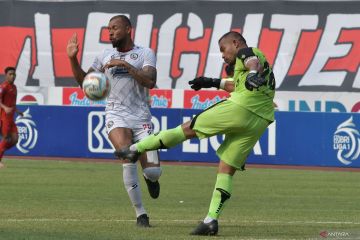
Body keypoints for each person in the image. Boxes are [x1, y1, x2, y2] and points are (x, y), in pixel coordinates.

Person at [115, 31, 276, 235]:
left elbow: (252, 62)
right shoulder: (259, 63)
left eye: (223, 49)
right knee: (226, 169)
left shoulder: (247, 52)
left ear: (235, 43)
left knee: (188, 129)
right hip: (260, 120)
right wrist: (210, 82)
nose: (223, 55)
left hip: (241, 109)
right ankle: (211, 220)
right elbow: (237, 84)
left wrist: (252, 73)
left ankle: (135, 149)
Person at [66, 15, 162, 227]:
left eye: (115, 28)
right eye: (108, 29)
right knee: (127, 156)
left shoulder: (145, 53)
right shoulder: (104, 55)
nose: (110, 32)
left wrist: (126, 66)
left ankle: (151, 179)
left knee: (153, 171)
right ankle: (141, 214)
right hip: (115, 114)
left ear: (128, 29)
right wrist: (73, 59)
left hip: (142, 117)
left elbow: (150, 81)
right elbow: (85, 83)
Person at [0, 67, 23, 169]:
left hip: (11, 118)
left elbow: (13, 102)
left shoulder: (14, 87)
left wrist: (17, 110)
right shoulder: (3, 87)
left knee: (15, 139)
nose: (12, 76)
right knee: (7, 139)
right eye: (10, 74)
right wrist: (5, 108)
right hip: (4, 118)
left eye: (14, 74)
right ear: (6, 75)